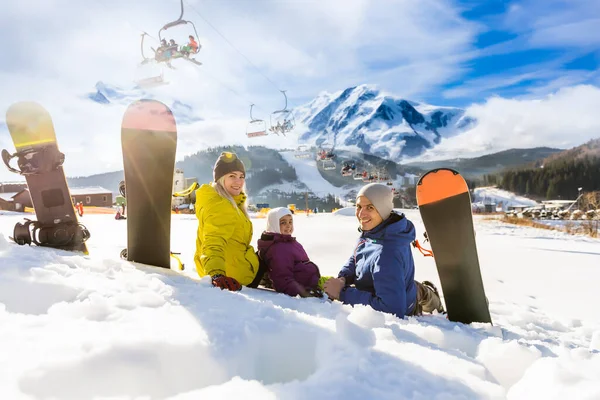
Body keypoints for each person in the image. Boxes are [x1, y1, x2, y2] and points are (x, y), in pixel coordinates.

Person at [323, 183, 444, 318]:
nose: (361, 214)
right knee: (414, 288)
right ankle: (426, 293)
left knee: (415, 292)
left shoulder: (386, 253)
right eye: (358, 207)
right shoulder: (375, 231)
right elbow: (357, 257)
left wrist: (343, 293)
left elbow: (391, 309)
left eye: (370, 207)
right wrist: (343, 278)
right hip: (396, 285)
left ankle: (435, 303)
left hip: (403, 302)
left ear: (383, 210)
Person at [194, 152, 261, 291]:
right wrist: (216, 274)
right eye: (232, 176)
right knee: (278, 250)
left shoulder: (224, 201)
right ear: (220, 179)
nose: (239, 182)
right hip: (233, 276)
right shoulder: (221, 206)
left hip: (230, 267)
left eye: (241, 177)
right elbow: (213, 243)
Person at [256, 207, 322, 297]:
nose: (288, 226)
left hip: (312, 282)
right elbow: (283, 279)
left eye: (290, 222)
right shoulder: (278, 249)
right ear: (273, 224)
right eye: (283, 222)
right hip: (303, 288)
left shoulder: (288, 242)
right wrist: (304, 293)